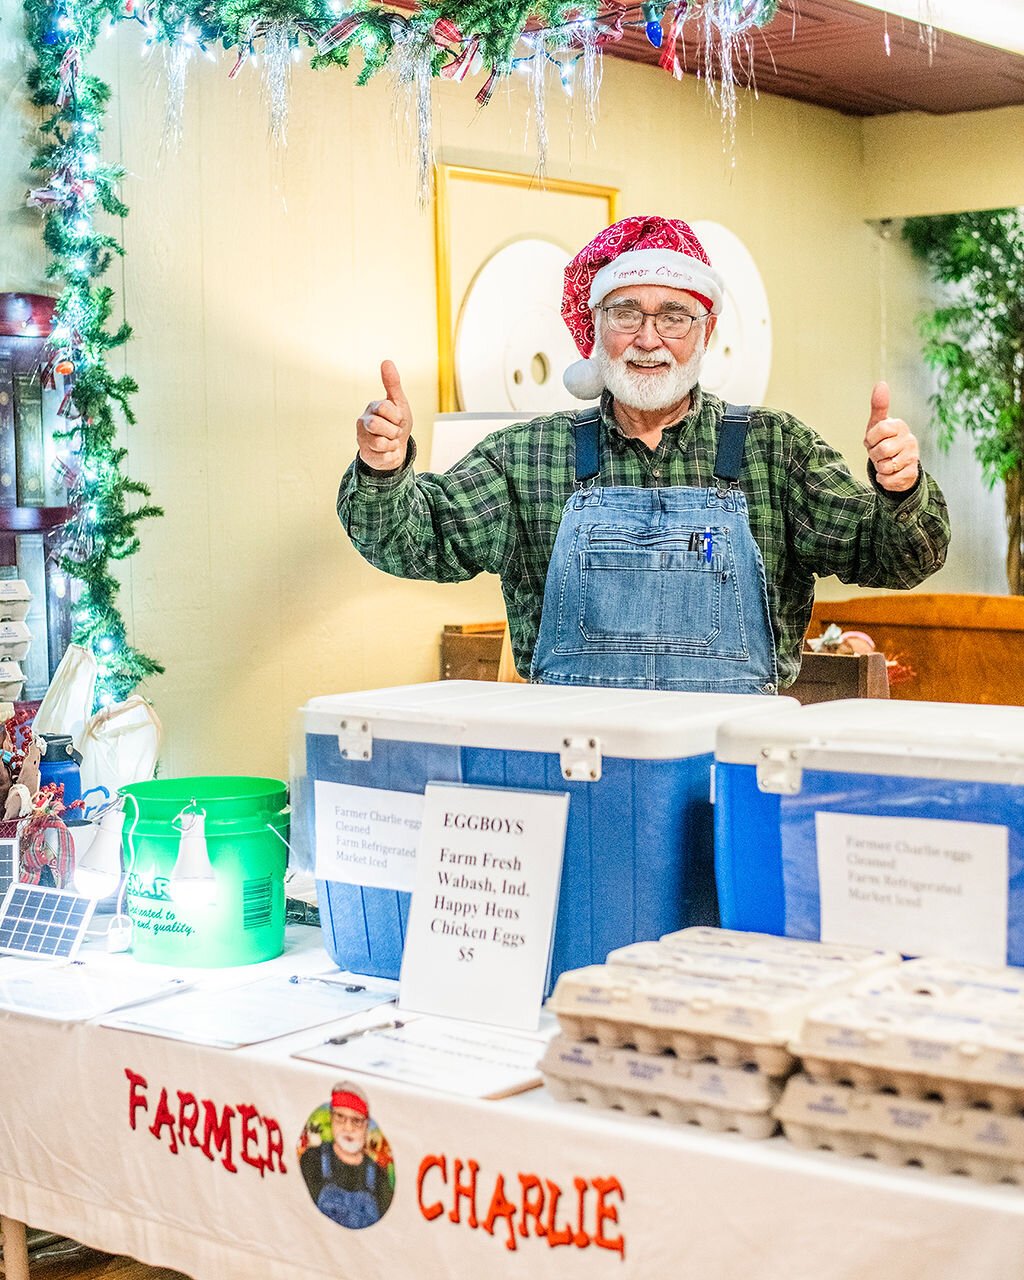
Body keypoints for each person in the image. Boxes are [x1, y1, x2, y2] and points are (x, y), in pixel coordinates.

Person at [338, 215, 950, 692]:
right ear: (596, 327)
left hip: (731, 765)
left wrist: (900, 489)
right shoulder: (529, 458)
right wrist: (383, 470)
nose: (648, 339)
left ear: (706, 333)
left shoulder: (775, 451)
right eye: (625, 313)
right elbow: (416, 539)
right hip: (575, 762)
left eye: (674, 317)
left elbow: (896, 559)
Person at [299, 1082, 393, 1229]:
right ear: (331, 1118)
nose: (348, 1128)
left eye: (356, 1121)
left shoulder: (380, 1177)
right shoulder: (311, 1160)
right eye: (340, 1117)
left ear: (366, 1125)